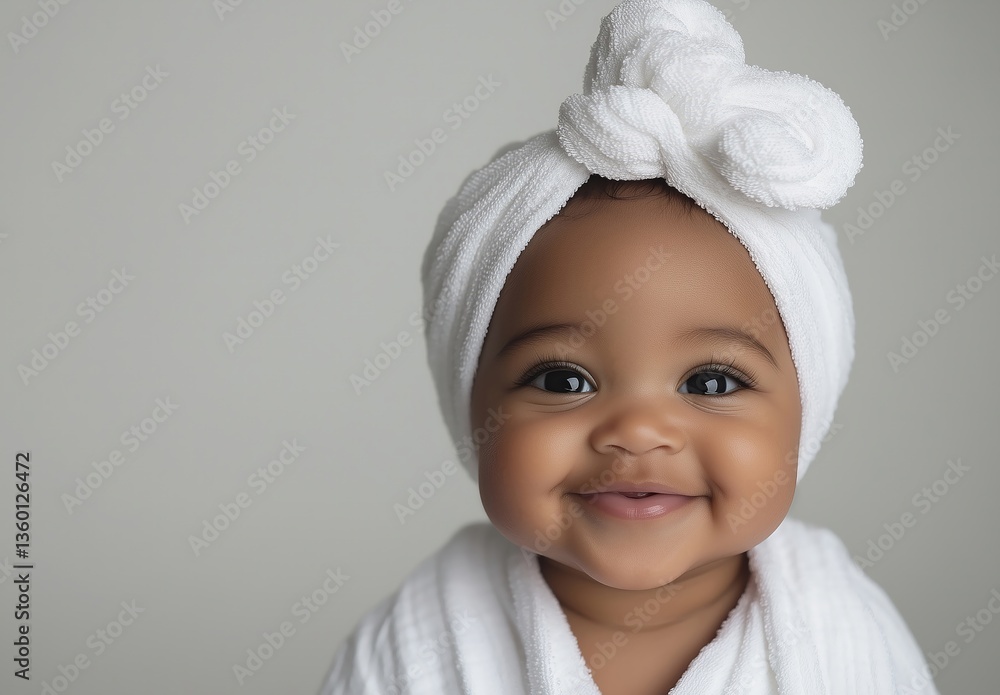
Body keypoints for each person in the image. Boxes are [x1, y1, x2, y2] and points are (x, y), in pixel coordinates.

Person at [319, 0, 940, 692]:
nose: (639, 430)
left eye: (710, 382)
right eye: (562, 380)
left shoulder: (838, 631)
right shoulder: (419, 641)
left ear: (807, 411)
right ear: (471, 405)